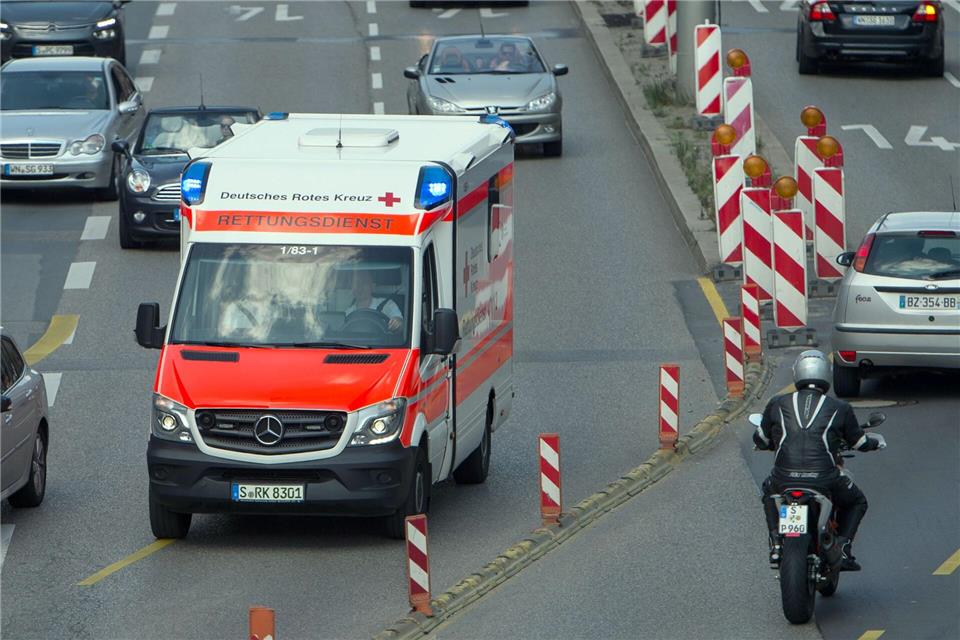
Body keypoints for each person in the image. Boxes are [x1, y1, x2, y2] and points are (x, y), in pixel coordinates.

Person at [753, 350, 887, 572]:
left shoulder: (777, 403)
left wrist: (770, 442)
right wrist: (875, 443)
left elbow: (760, 438)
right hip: (824, 479)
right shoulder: (840, 407)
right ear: (826, 374)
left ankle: (776, 540)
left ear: (797, 374)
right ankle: (843, 549)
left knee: (769, 491)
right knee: (857, 501)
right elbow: (859, 443)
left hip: (784, 479)